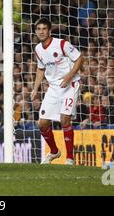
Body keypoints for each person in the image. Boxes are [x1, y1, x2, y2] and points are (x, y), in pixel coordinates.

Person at [31, 18, 84, 165]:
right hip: (53, 88)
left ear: (49, 30)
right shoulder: (38, 49)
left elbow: (79, 58)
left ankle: (69, 158)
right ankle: (54, 152)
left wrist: (70, 75)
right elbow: (41, 68)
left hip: (70, 85)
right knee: (42, 124)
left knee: (64, 119)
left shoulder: (62, 44)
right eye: (38, 29)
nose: (41, 32)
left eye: (44, 29)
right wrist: (35, 88)